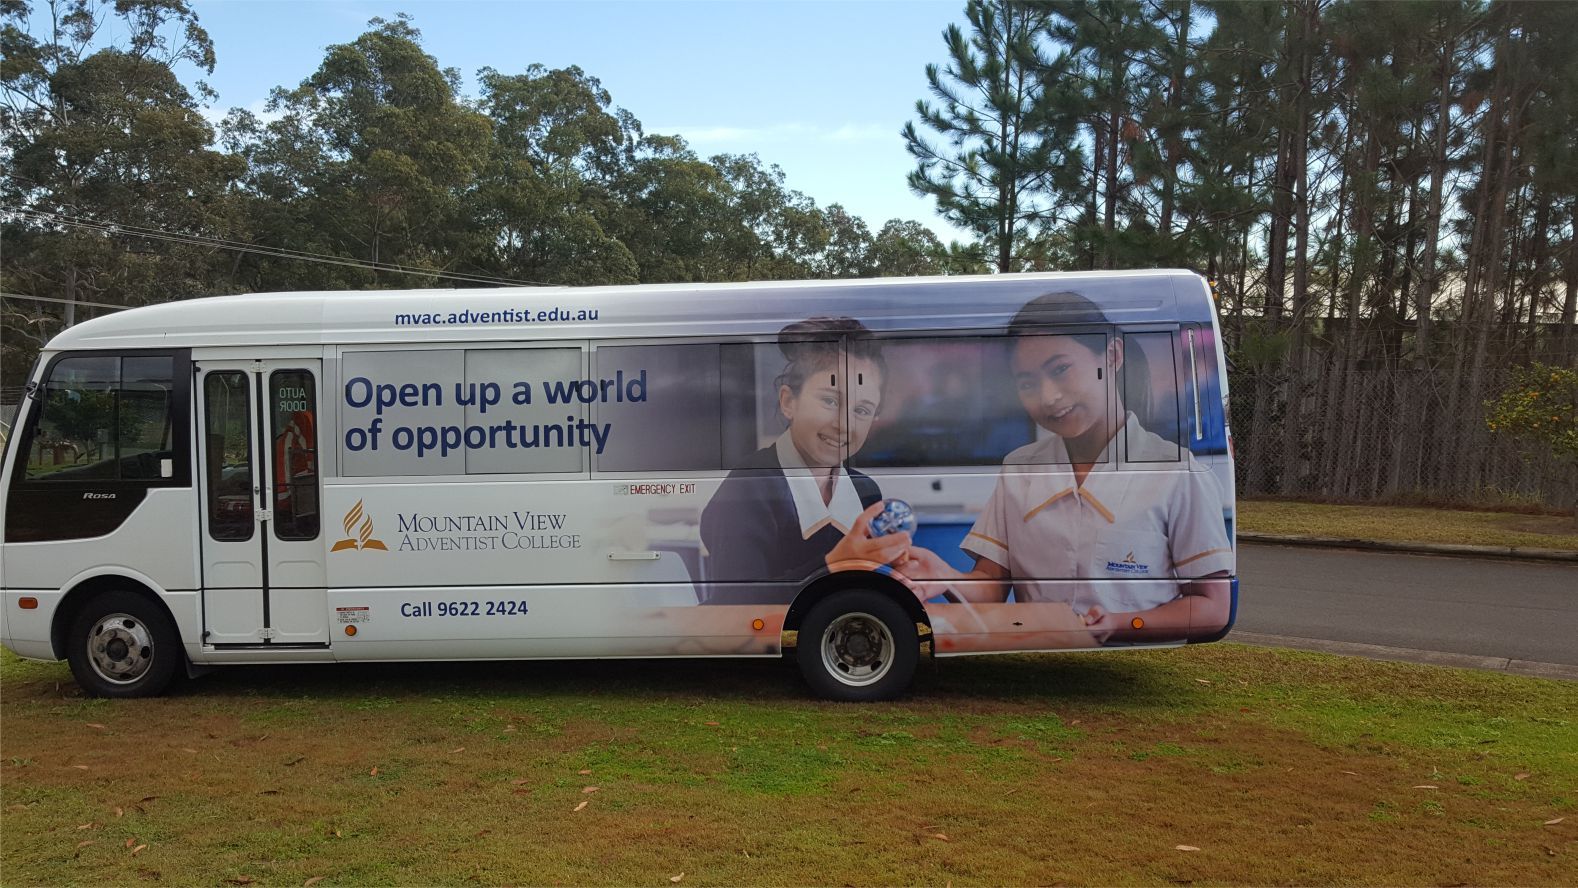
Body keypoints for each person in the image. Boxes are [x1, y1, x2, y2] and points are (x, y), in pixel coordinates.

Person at [906, 291, 1233, 643]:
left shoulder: (1178, 473)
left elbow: (1212, 607)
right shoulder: (1020, 468)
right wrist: (943, 575)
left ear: (1112, 355)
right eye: (1027, 383)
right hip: (1039, 664)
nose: (1048, 397)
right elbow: (991, 588)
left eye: (1060, 370)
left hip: (1130, 664)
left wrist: (1123, 623)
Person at [698, 317, 911, 604]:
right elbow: (734, 606)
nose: (844, 425)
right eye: (831, 401)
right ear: (789, 402)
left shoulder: (866, 491)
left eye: (861, 410)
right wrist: (833, 565)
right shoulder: (748, 488)